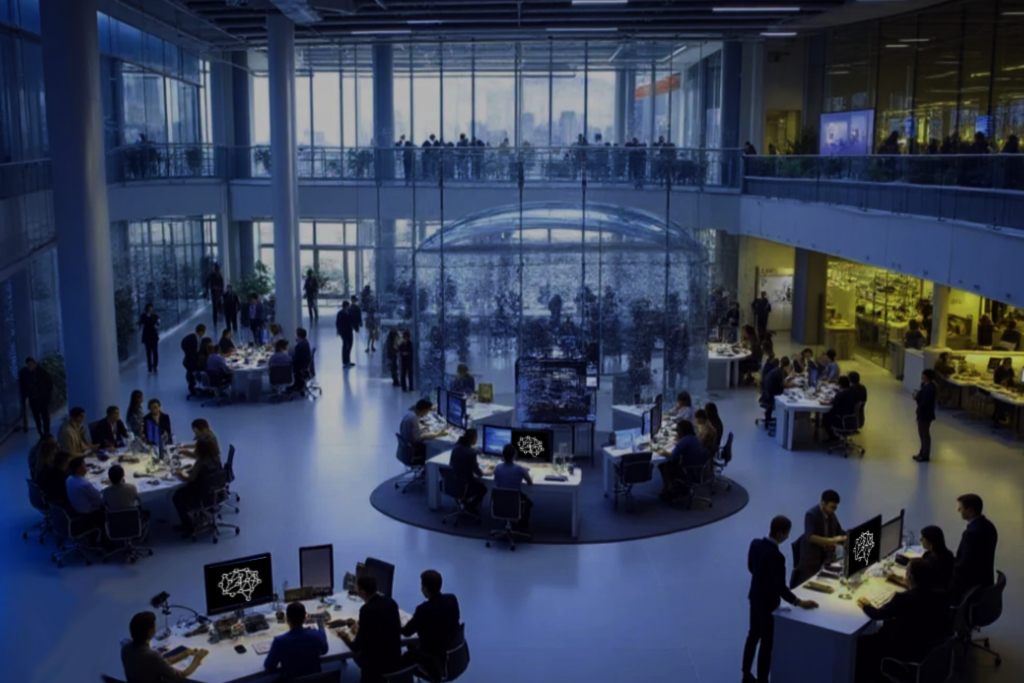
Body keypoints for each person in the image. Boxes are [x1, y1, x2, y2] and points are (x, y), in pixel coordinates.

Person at [742, 515, 818, 683]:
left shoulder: (755, 544)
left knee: (753, 636)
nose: (788, 537)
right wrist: (799, 602)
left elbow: (751, 568)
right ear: (780, 533)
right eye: (787, 533)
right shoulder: (777, 557)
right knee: (766, 645)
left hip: (754, 597)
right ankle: (763, 680)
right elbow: (781, 588)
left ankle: (746, 674)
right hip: (768, 606)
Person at [855, 559, 952, 679]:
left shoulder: (903, 599)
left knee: (859, 643)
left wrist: (866, 605)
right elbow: (920, 592)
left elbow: (876, 615)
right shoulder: (941, 595)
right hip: (926, 646)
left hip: (902, 649)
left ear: (909, 576)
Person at [338, 575, 403, 683]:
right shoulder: (391, 602)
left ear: (363, 592)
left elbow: (356, 647)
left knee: (359, 657)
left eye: (357, 589)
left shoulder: (366, 610)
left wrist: (345, 637)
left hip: (375, 667)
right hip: (395, 661)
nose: (356, 591)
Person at [400, 570, 461, 680]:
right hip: (452, 657)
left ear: (425, 588)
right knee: (412, 646)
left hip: (433, 660)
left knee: (405, 657)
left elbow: (406, 632)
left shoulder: (424, 610)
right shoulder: (452, 599)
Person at [122, 611, 208, 682]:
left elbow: (159, 664)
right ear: (151, 631)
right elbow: (180, 676)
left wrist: (185, 654)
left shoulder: (126, 648)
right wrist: (197, 659)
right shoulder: (151, 656)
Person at [792, 490, 846, 588]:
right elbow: (811, 537)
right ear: (823, 503)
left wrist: (848, 537)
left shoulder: (831, 515)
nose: (833, 511)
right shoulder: (811, 514)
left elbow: (839, 531)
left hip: (827, 558)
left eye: (835, 508)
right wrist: (832, 541)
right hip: (811, 560)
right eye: (832, 507)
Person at [171, 436, 223, 537]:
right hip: (215, 493)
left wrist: (178, 474)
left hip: (201, 496)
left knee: (177, 497)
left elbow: (189, 479)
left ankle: (188, 527)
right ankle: (196, 518)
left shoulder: (201, 462)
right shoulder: (216, 458)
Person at [263, 602, 329, 681]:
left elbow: (269, 667)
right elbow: (324, 650)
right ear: (305, 618)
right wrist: (320, 625)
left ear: (287, 619)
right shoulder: (316, 636)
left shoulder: (280, 642)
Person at [951, 493, 998, 602]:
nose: (958, 511)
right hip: (984, 581)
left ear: (970, 510)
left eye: (961, 508)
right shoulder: (989, 526)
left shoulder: (972, 533)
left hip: (969, 586)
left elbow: (965, 563)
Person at [890, 526, 954, 592]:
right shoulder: (948, 554)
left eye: (923, 538)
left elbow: (918, 586)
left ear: (930, 542)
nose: (920, 540)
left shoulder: (933, 564)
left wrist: (895, 578)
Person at [493, 443, 534, 531]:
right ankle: (522, 526)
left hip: (499, 501)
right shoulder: (520, 469)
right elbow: (530, 483)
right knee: (528, 503)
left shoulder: (497, 468)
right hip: (515, 500)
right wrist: (526, 472)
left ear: (503, 455)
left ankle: (506, 521)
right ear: (514, 455)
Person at [449, 428, 487, 513]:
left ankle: (464, 503)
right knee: (483, 488)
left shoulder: (456, 448)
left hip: (451, 484)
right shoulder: (470, 453)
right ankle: (471, 507)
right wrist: (489, 471)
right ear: (473, 438)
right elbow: (479, 473)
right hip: (464, 487)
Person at [19, 357, 53, 436]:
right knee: (36, 416)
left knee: (45, 416)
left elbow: (49, 383)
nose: (30, 366)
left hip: (43, 398)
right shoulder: (24, 374)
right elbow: (23, 386)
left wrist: (48, 396)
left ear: (34, 364)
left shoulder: (41, 372)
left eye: (31, 364)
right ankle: (40, 431)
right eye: (29, 364)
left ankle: (46, 432)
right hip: (33, 399)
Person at [760, 356, 794, 426]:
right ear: (786, 366)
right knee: (789, 397)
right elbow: (784, 385)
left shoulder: (777, 370)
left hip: (767, 393)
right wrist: (794, 384)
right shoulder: (779, 373)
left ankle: (768, 417)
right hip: (771, 394)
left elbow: (781, 382)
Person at [912, 369, 937, 463]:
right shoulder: (925, 385)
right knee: (922, 434)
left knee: (924, 435)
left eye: (924, 375)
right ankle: (922, 453)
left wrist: (917, 400)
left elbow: (925, 402)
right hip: (924, 413)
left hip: (925, 414)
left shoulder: (930, 389)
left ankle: (925, 455)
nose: (922, 377)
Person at [181, 323, 206, 395]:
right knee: (193, 373)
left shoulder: (194, 338)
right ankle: (192, 387)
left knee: (191, 373)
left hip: (189, 360)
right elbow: (192, 351)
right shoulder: (193, 339)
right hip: (191, 361)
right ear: (201, 331)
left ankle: (193, 386)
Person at [139, 303, 160, 372]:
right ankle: (149, 367)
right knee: (148, 353)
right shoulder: (144, 316)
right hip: (147, 336)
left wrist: (155, 322)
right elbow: (143, 322)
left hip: (153, 336)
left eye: (151, 307)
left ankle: (155, 366)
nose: (151, 309)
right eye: (150, 307)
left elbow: (158, 323)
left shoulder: (155, 316)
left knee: (155, 352)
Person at [291, 327, 313, 392]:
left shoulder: (300, 346)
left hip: (300, 365)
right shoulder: (305, 342)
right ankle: (297, 384)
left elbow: (296, 358)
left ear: (299, 336)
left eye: (296, 334)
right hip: (304, 364)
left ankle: (298, 385)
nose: (295, 336)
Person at [336, 300, 355, 368]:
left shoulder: (348, 312)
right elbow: (339, 323)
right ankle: (345, 361)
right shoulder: (341, 313)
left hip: (348, 331)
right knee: (346, 345)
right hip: (345, 332)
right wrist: (339, 330)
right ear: (346, 306)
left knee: (349, 345)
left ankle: (348, 360)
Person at [205, 263, 225, 327]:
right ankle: (215, 320)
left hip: (218, 293)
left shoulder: (219, 276)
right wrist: (209, 289)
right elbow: (207, 282)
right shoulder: (212, 275)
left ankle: (218, 317)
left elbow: (222, 285)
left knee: (219, 305)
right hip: (214, 293)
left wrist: (221, 292)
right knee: (215, 307)